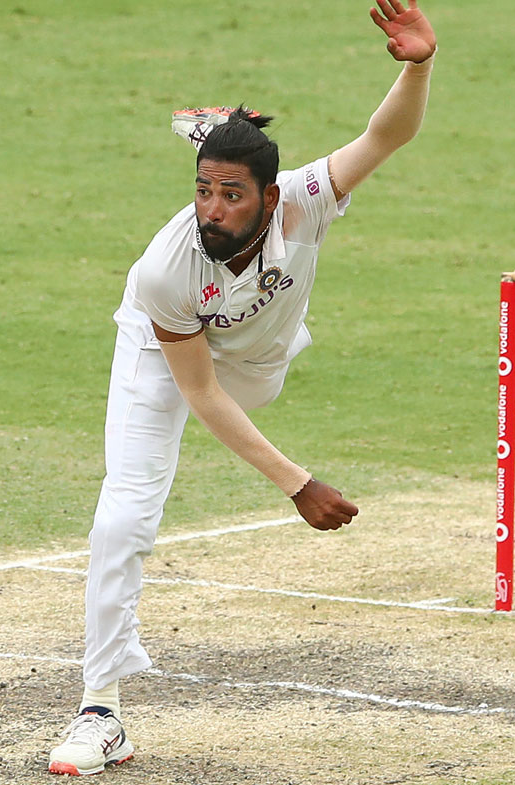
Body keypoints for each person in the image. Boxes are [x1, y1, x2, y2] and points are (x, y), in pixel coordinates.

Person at [48, 0, 437, 776]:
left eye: (231, 194)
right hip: (170, 357)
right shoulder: (167, 267)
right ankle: (101, 711)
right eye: (203, 190)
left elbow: (386, 136)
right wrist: (298, 483)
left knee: (252, 384)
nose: (212, 211)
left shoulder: (305, 199)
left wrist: (418, 64)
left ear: (268, 194)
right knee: (123, 516)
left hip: (260, 360)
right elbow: (203, 398)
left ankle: (222, 126)